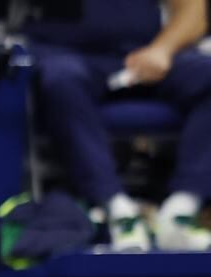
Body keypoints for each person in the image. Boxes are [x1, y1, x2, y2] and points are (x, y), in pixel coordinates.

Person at [24, 0, 211, 249]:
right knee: (59, 78)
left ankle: (181, 212)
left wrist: (162, 49)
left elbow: (193, 10)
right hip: (63, 57)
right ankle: (118, 212)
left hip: (146, 54)